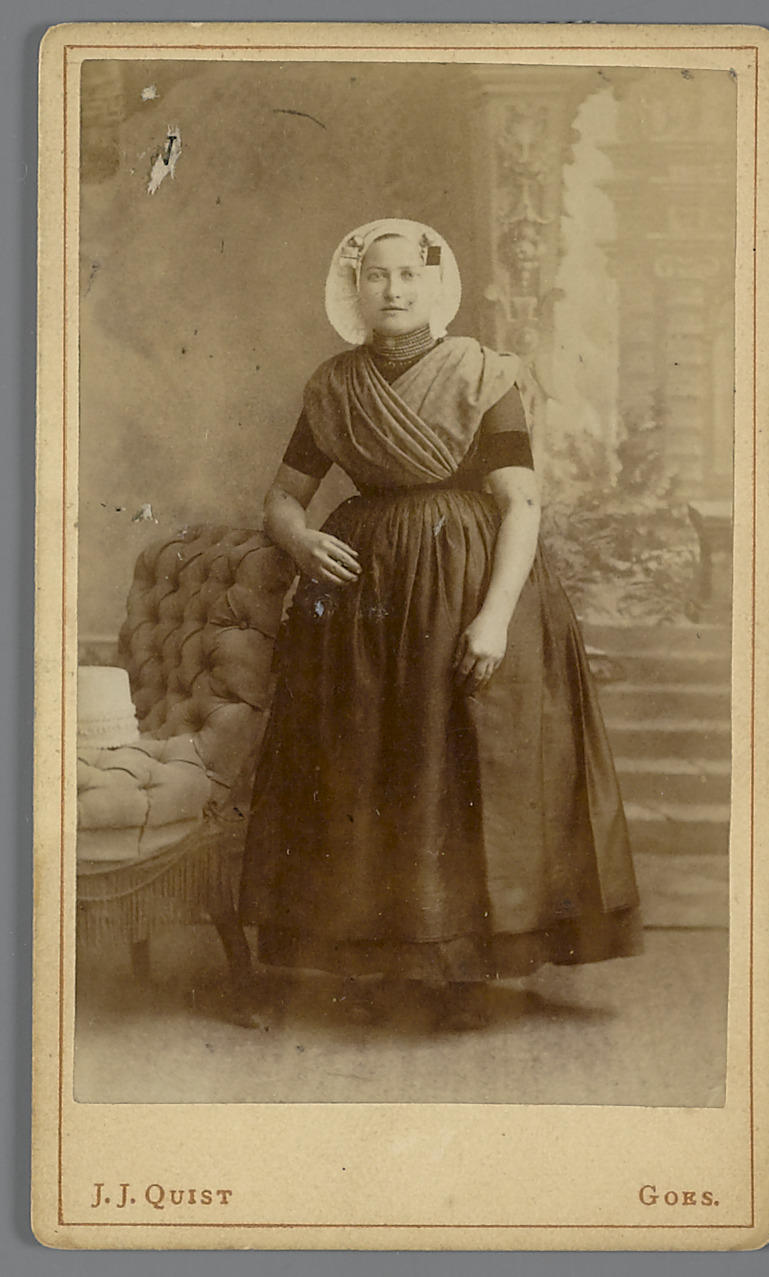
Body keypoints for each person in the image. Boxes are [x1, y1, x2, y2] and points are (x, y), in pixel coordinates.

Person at [239, 218, 641, 1031]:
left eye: (407, 276)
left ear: (434, 286)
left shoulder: (484, 373)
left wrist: (493, 617)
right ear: (354, 290)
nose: (392, 290)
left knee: (461, 768)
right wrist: (301, 540)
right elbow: (281, 498)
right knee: (370, 770)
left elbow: (520, 501)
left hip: (468, 581)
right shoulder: (333, 386)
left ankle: (468, 967)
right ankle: (380, 962)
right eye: (376, 276)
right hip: (364, 602)